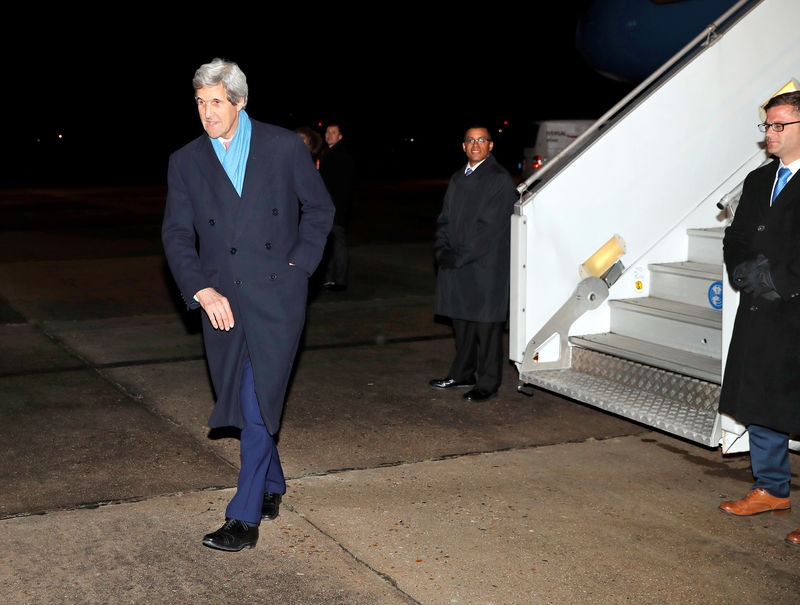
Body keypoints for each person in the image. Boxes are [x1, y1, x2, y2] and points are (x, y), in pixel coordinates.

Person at [162, 58, 334, 551]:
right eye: (199, 102)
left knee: (258, 403)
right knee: (239, 399)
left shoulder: (282, 147)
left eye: (216, 102)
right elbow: (176, 234)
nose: (207, 112)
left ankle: (243, 516)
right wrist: (200, 289)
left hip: (277, 294)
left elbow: (319, 209)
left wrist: (300, 267)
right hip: (220, 300)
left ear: (239, 102)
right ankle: (272, 483)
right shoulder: (186, 160)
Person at [718, 90, 800, 546]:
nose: (769, 133)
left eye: (778, 125)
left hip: (795, 306)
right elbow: (737, 235)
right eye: (767, 126)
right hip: (760, 311)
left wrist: (783, 279)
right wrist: (743, 270)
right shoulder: (758, 179)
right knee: (763, 401)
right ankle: (771, 488)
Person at [429, 126, 517, 403]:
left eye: (482, 140)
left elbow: (489, 230)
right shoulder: (458, 178)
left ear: (491, 146)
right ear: (463, 146)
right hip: (458, 264)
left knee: (486, 328)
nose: (476, 144)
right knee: (462, 324)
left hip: (484, 267)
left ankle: (488, 383)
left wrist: (458, 256)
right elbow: (444, 220)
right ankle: (462, 373)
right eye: (470, 140)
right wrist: (441, 249)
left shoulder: (499, 180)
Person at [318, 123, 355, 291]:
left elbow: (339, 187)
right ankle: (330, 278)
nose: (329, 134)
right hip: (330, 208)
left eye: (334, 132)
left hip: (335, 209)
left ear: (340, 136)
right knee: (330, 243)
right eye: (328, 131)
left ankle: (339, 280)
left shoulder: (340, 156)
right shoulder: (328, 153)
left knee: (338, 244)